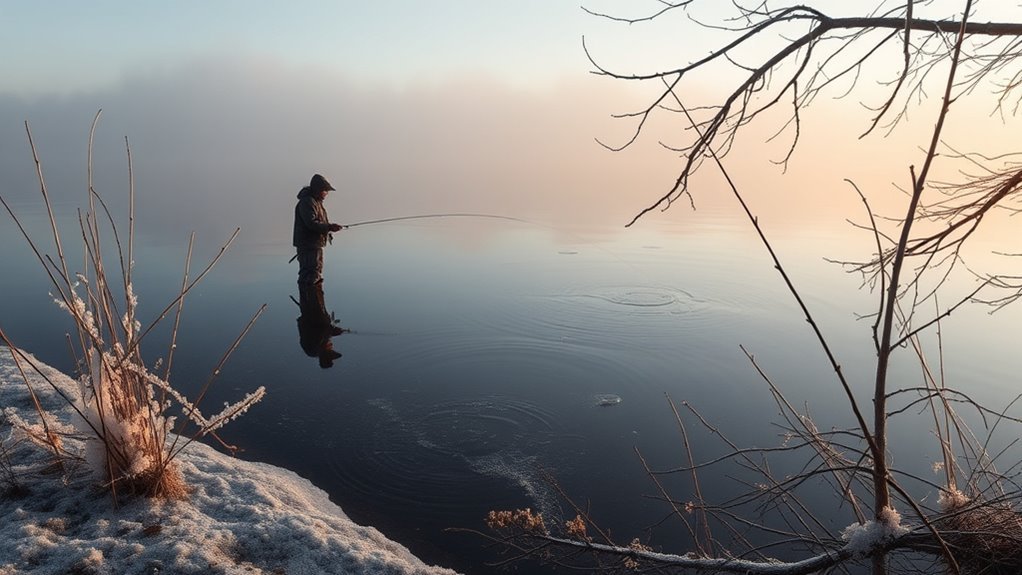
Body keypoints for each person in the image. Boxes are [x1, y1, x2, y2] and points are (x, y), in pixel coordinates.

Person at [293, 173, 343, 285]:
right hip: (308, 245)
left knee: (316, 273)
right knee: (309, 275)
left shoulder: (316, 202)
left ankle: (315, 300)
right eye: (325, 190)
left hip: (314, 244)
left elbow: (319, 223)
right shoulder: (307, 202)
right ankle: (309, 300)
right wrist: (329, 227)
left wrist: (329, 227)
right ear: (318, 190)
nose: (326, 193)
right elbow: (311, 223)